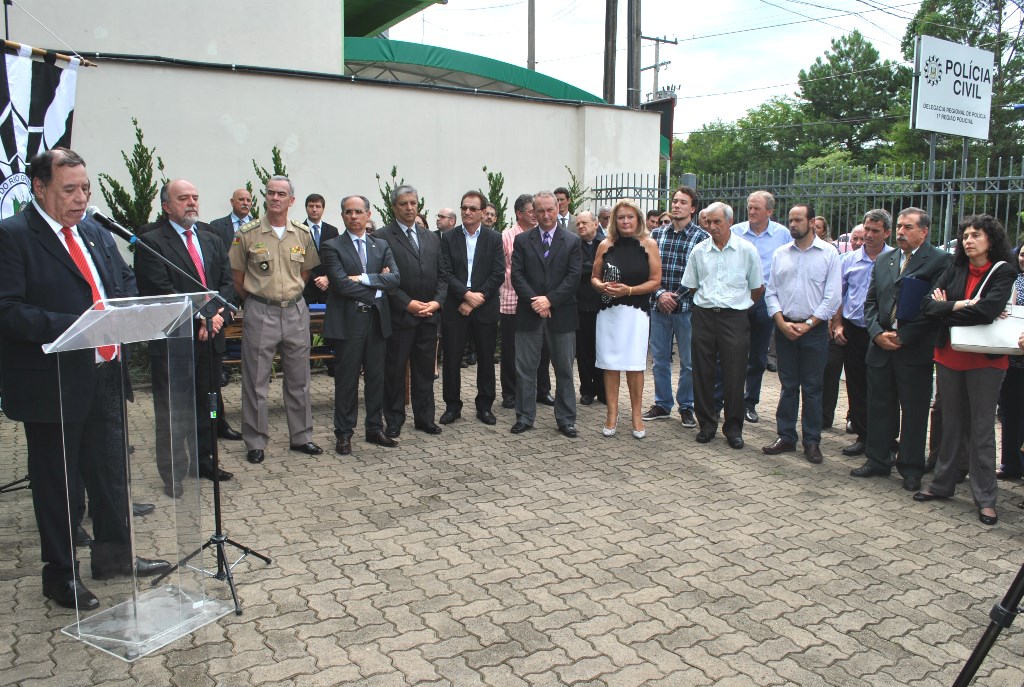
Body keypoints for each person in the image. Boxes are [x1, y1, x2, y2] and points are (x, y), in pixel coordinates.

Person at [0, 148, 169, 610]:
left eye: (85, 189)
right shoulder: (14, 236)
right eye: (69, 190)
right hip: (51, 379)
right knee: (60, 483)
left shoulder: (93, 230)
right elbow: (8, 309)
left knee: (111, 472)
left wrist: (131, 310)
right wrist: (77, 324)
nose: (80, 199)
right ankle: (60, 574)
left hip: (105, 371)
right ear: (39, 188)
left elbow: (124, 281)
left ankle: (115, 557)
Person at [135, 179, 236, 497]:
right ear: (167, 206)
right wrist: (200, 318)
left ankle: (204, 460)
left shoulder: (211, 238)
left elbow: (226, 283)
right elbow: (160, 290)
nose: (192, 203)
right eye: (183, 198)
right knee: (174, 409)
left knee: (209, 403)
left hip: (211, 336)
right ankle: (174, 473)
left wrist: (217, 316)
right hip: (174, 342)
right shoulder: (151, 242)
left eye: (195, 197)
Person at [915, 214, 1016, 526]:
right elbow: (927, 307)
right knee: (951, 424)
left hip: (986, 362)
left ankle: (986, 499)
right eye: (966, 235)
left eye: (976, 235)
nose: (969, 240)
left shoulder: (1004, 271)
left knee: (982, 430)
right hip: (949, 356)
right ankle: (943, 485)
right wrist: (960, 306)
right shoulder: (954, 266)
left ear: (991, 239)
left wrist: (949, 308)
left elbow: (987, 312)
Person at [851, 208, 951, 491]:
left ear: (924, 231)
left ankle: (910, 467)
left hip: (914, 348)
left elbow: (936, 306)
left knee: (915, 410)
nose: (901, 232)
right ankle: (878, 460)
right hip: (881, 346)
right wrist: (877, 333)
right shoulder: (885, 259)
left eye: (908, 227)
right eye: (898, 226)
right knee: (879, 406)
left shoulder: (941, 261)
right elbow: (870, 303)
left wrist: (904, 335)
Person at [228, 175, 323, 465]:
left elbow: (304, 274)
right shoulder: (248, 233)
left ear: (291, 200)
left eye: (282, 194)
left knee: (299, 380)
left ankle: (301, 436)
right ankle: (255, 441)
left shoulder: (302, 234)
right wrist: (257, 300)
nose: (275, 198)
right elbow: (238, 277)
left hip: (294, 310)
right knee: (256, 381)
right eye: (270, 193)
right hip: (260, 310)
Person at [321, 195, 401, 455]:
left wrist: (364, 278)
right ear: (343, 216)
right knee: (347, 381)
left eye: (358, 212)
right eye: (348, 212)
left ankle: (374, 429)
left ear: (368, 215)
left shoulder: (381, 245)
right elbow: (341, 285)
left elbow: (396, 279)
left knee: (376, 378)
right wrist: (378, 285)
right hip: (349, 322)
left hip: (377, 322)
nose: (353, 216)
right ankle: (344, 433)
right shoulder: (332, 246)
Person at [762, 203, 842, 464]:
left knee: (812, 388)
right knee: (788, 386)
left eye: (798, 220)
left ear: (811, 222)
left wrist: (809, 323)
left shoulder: (829, 254)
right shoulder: (780, 254)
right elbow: (771, 291)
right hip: (784, 328)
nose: (793, 225)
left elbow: (832, 297)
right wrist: (780, 321)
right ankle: (786, 436)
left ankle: (811, 441)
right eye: (790, 220)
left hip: (815, 331)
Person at [681, 202, 763, 449]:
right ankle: (707, 424)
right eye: (709, 222)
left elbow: (757, 288)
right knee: (702, 371)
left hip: (734, 317)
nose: (712, 227)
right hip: (704, 315)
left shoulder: (746, 250)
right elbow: (692, 285)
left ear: (730, 221)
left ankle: (734, 428)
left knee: (735, 373)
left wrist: (738, 307)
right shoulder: (699, 251)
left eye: (717, 222)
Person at [375, 185, 448, 438]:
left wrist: (437, 302)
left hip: (428, 316)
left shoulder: (430, 237)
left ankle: (424, 418)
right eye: (404, 204)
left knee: (425, 371)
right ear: (394, 207)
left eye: (413, 203)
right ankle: (394, 418)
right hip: (400, 316)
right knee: (395, 370)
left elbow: (442, 275)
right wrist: (407, 303)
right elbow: (384, 280)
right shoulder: (383, 237)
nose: (409, 208)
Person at [510, 191, 583, 437]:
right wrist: (536, 301)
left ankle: (566, 419)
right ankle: (524, 416)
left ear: (558, 207)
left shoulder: (572, 241)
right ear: (533, 212)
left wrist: (550, 300)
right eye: (539, 211)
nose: (545, 215)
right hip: (529, 314)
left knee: (563, 369)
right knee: (525, 369)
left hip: (561, 314)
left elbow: (573, 278)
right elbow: (517, 275)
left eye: (550, 209)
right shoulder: (522, 241)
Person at [591, 199, 662, 439]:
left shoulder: (649, 244)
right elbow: (594, 277)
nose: (625, 221)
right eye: (621, 217)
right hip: (609, 312)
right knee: (610, 365)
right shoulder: (605, 244)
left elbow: (655, 281)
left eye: (630, 217)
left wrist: (629, 291)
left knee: (634, 365)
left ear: (638, 219)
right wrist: (602, 286)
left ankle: (636, 416)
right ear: (614, 221)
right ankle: (611, 414)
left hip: (636, 313)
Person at [829, 209, 892, 458]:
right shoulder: (849, 260)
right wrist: (838, 324)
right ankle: (863, 436)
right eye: (866, 229)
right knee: (856, 385)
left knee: (881, 388)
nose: (868, 235)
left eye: (875, 231)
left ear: (887, 233)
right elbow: (838, 295)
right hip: (854, 330)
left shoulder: (893, 259)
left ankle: (884, 438)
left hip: (881, 333)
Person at [642, 187, 708, 428]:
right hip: (658, 306)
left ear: (692, 208)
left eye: (683, 202)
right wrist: (660, 294)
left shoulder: (702, 238)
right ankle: (662, 404)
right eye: (674, 201)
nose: (677, 205)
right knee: (659, 359)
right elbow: (647, 269)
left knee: (689, 362)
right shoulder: (656, 235)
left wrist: (676, 297)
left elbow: (700, 275)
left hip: (687, 308)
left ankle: (687, 406)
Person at [439, 191, 504, 425]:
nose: (467, 212)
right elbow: (445, 272)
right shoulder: (448, 238)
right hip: (455, 306)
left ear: (482, 212)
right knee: (452, 358)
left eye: (472, 209)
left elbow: (498, 273)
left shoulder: (494, 238)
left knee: (486, 358)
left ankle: (485, 406)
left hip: (484, 307)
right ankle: (452, 406)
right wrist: (466, 296)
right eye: (464, 207)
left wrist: (478, 297)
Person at [732, 190, 791, 424]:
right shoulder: (736, 232)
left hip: (765, 300)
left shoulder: (782, 234)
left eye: (757, 208)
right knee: (732, 352)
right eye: (749, 207)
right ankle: (730, 399)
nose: (752, 211)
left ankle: (749, 402)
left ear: (770, 211)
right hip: (737, 299)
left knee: (757, 355)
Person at [498, 194, 552, 409]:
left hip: (541, 304)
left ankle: (543, 391)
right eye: (532, 211)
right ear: (519, 214)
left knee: (543, 350)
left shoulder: (542, 236)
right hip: (512, 301)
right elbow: (501, 269)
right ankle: (510, 394)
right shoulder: (507, 237)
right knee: (511, 352)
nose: (537, 215)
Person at [996, 243, 1024, 480]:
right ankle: (1011, 465)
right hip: (1013, 362)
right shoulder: (1013, 281)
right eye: (1023, 254)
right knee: (1009, 412)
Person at [575, 211, 605, 405]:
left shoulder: (605, 244)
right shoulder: (573, 244)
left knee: (602, 349)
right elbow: (575, 270)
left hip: (602, 305)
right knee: (583, 350)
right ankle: (587, 390)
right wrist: (593, 267)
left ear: (595, 224)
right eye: (577, 224)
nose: (580, 227)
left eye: (584, 223)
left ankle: (603, 390)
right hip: (579, 304)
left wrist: (590, 268)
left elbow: (605, 269)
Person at [301, 193, 340, 307]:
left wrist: (327, 278)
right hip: (306, 285)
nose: (314, 209)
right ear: (306, 208)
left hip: (328, 286)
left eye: (318, 206)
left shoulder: (332, 231)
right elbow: (299, 259)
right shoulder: (298, 230)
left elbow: (336, 258)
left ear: (323, 208)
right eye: (311, 206)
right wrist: (315, 279)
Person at [209, 188, 253, 252]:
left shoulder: (259, 226)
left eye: (248, 200)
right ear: (232, 202)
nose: (245, 203)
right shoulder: (216, 226)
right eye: (241, 199)